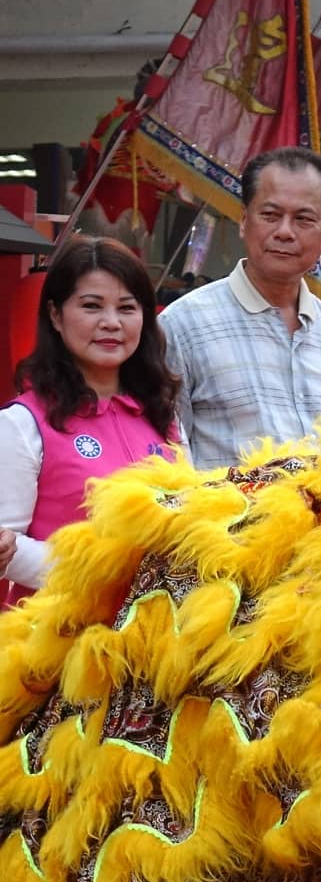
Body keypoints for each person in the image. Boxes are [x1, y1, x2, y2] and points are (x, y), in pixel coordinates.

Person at [159, 147, 321, 471]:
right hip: (228, 520)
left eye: (303, 219)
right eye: (271, 215)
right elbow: (166, 457)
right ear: (244, 221)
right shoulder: (182, 326)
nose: (285, 232)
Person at [1, 236, 180, 608]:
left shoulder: (162, 415)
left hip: (157, 643)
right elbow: (7, 547)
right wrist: (106, 572)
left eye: (126, 307)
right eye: (91, 306)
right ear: (55, 315)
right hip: (56, 642)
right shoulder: (22, 423)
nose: (111, 323)